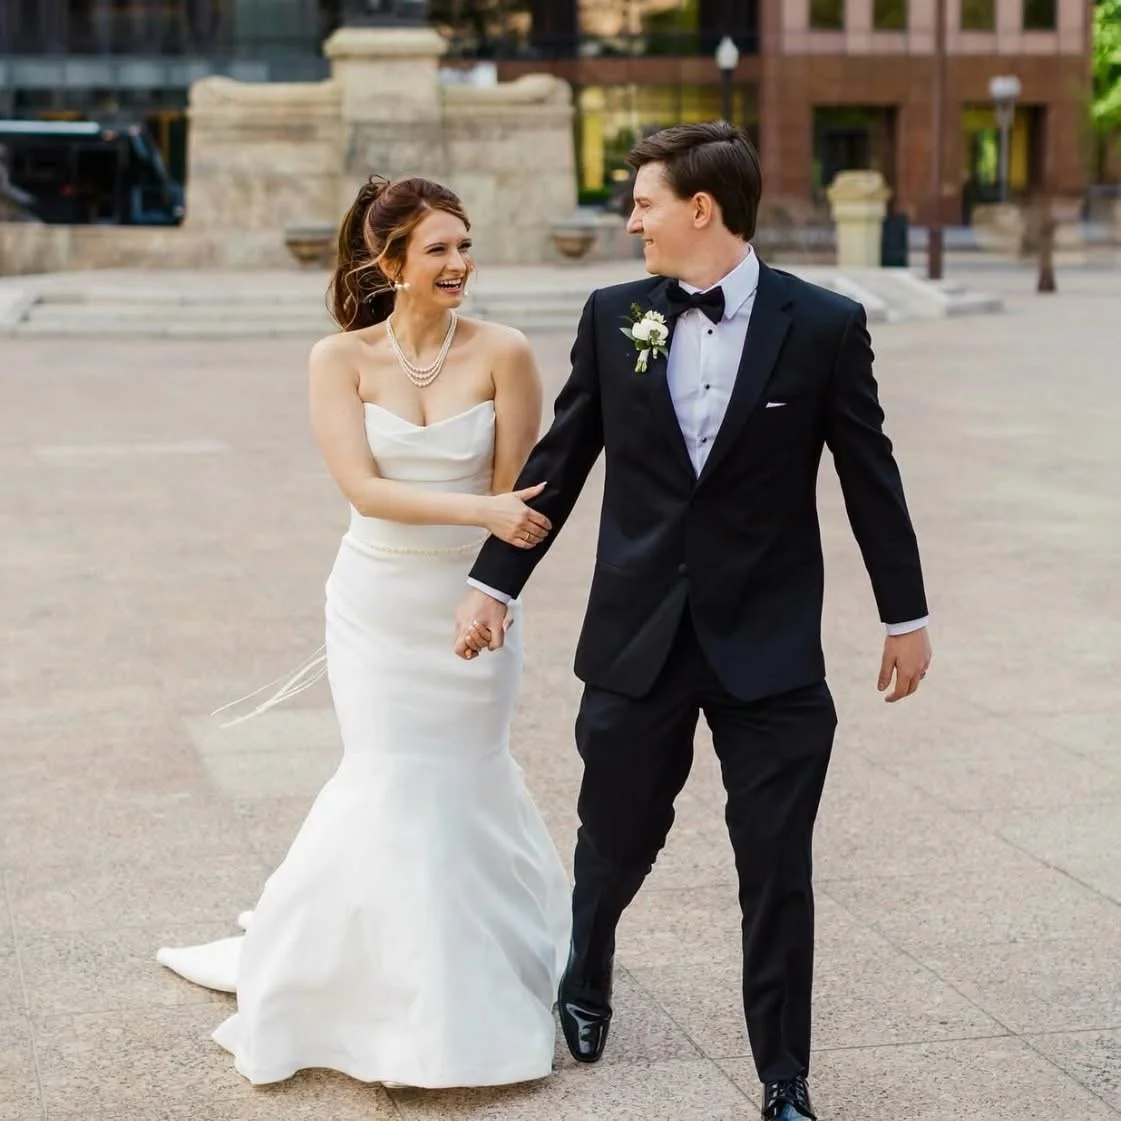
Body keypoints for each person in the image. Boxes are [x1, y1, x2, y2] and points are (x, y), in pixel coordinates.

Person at [453, 122, 932, 1121]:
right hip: (638, 634)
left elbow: (867, 474)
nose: (631, 220)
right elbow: (558, 462)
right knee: (615, 837)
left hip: (771, 648)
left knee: (775, 865)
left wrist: (904, 613)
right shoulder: (611, 313)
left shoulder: (823, 324)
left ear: (699, 209)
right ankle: (587, 970)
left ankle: (783, 1076)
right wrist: (494, 582)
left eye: (643, 202)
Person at [156, 175, 571, 1089]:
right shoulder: (336, 359)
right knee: (386, 772)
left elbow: (515, 500)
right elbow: (364, 488)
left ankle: (475, 976)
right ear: (390, 263)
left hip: (471, 597)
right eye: (440, 249)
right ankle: (361, 984)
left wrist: (492, 591)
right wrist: (488, 510)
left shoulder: (504, 351)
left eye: (465, 245)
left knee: (468, 770)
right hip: (378, 601)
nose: (460, 263)